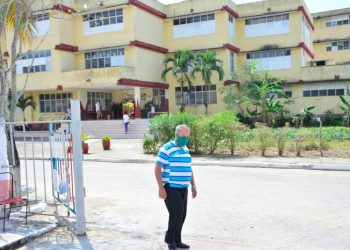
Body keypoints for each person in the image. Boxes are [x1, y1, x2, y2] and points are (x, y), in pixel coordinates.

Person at [154, 124, 197, 250]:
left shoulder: (185, 149)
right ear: (176, 135)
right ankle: (169, 240)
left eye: (187, 136)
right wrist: (161, 188)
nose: (185, 138)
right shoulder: (166, 148)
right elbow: (157, 168)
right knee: (176, 214)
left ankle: (177, 241)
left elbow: (189, 168)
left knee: (182, 215)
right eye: (183, 136)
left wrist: (193, 185)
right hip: (171, 187)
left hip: (184, 188)